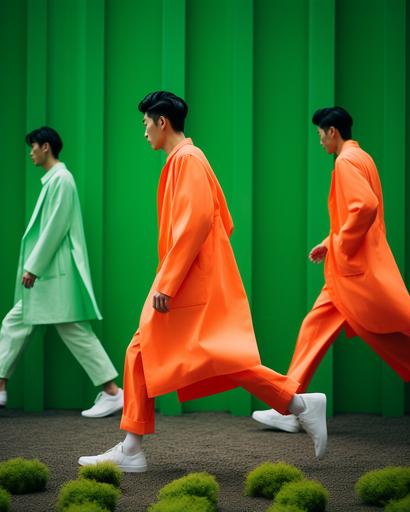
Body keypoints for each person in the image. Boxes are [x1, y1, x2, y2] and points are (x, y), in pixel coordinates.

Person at [78, 91, 328, 472]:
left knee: (153, 352)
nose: (144, 131)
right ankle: (299, 404)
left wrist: (170, 281)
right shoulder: (188, 159)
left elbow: (197, 222)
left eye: (146, 123)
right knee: (210, 358)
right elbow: (223, 220)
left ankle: (132, 450)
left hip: (184, 282)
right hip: (193, 279)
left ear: (162, 121)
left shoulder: (187, 160)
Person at [252, 107, 410, 433]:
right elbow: (357, 212)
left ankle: (286, 407)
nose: (320, 140)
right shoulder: (362, 157)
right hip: (351, 273)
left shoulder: (345, 161)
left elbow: (365, 207)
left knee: (394, 336)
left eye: (321, 134)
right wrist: (331, 241)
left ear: (332, 131)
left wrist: (340, 246)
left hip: (355, 274)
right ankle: (287, 406)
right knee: (315, 329)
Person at [0, 127, 123, 418]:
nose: (30, 152)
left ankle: (114, 393)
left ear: (46, 147)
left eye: (33, 147)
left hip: (51, 276)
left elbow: (55, 227)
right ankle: (112, 392)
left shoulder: (62, 180)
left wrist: (33, 267)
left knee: (37, 326)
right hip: (51, 278)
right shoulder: (55, 180)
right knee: (23, 325)